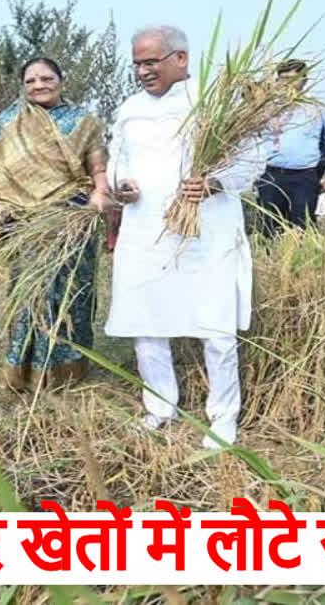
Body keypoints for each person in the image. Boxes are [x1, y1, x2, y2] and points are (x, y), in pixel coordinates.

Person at [105, 26, 267, 449]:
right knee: (147, 322)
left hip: (206, 233)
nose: (142, 71)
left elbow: (252, 159)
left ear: (180, 59)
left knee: (215, 327)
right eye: (137, 63)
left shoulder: (212, 104)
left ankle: (222, 417)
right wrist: (121, 185)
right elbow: (117, 161)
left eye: (151, 62)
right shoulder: (129, 110)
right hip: (145, 231)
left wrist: (215, 182)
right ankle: (159, 406)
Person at [0, 57, 110, 390]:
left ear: (61, 80)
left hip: (72, 218)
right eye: (30, 81)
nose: (38, 85)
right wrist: (1, 210)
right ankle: (25, 371)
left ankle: (69, 370)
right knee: (30, 295)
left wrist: (100, 194)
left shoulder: (84, 121)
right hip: (25, 221)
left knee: (72, 294)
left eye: (46, 78)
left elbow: (97, 168)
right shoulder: (8, 121)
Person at [254, 59, 325, 235]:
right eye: (283, 78)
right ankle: (270, 261)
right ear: (277, 81)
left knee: (303, 229)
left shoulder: (317, 109)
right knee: (268, 229)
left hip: (304, 177)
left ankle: (302, 260)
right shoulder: (264, 109)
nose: (288, 83)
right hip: (270, 176)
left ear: (304, 81)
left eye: (294, 78)